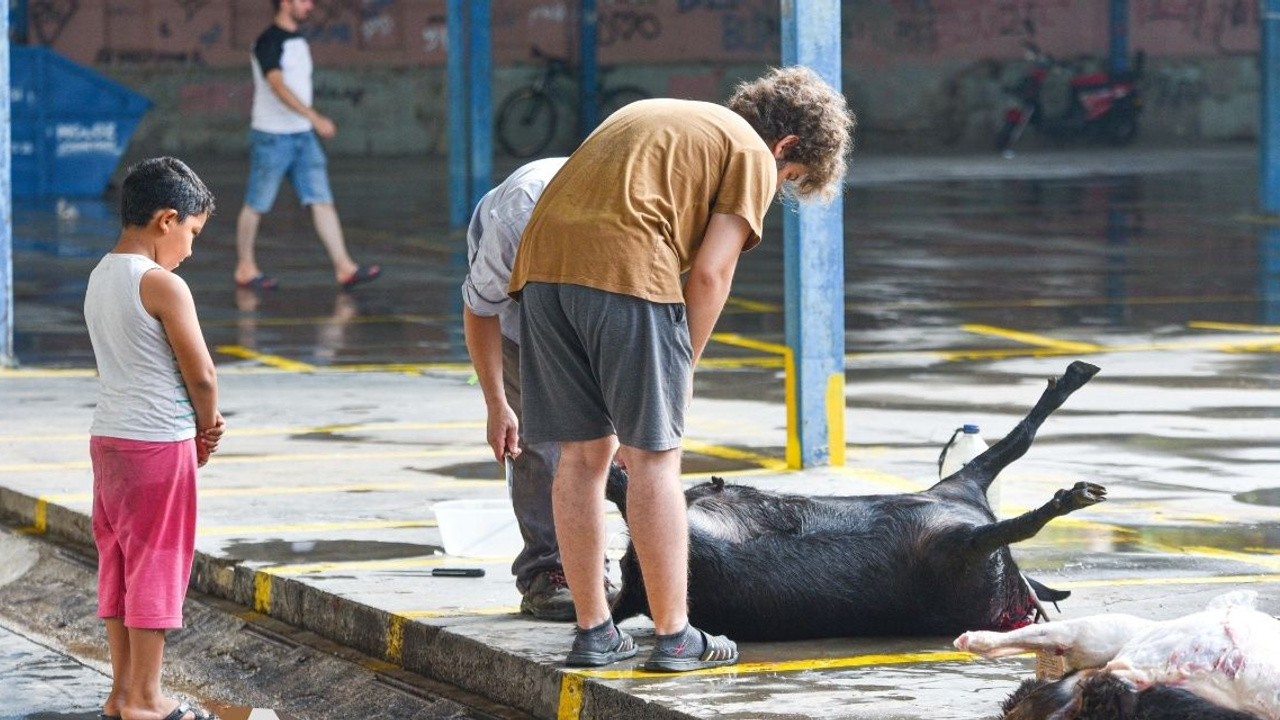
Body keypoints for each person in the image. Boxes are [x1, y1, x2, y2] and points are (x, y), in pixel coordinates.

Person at [508, 66, 854, 671]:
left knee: (582, 459)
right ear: (787, 147)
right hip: (625, 272)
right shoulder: (750, 152)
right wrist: (683, 362)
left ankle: (594, 632)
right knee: (654, 460)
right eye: (790, 178)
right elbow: (712, 273)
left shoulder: (658, 117)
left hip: (540, 274)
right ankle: (673, 637)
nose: (779, 186)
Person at [84, 157, 224, 720]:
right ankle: (146, 699)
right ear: (167, 220)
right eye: (191, 233)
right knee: (157, 567)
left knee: (118, 565)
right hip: (157, 446)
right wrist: (207, 428)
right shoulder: (163, 285)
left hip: (109, 442)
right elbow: (202, 374)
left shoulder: (100, 274)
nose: (190, 249)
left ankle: (121, 693)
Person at [463, 156, 594, 620]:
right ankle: (545, 571)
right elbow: (480, 312)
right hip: (514, 316)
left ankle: (594, 562)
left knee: (611, 443)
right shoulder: (520, 215)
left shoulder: (647, 215)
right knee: (537, 442)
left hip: (602, 312)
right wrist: (498, 405)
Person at [233, 0, 380, 291]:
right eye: (303, 0)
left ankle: (344, 268)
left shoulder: (299, 40)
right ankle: (245, 268)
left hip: (303, 137)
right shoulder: (268, 42)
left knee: (322, 201)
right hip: (273, 137)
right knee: (257, 203)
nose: (310, 6)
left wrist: (307, 124)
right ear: (285, 3)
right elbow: (277, 85)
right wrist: (314, 117)